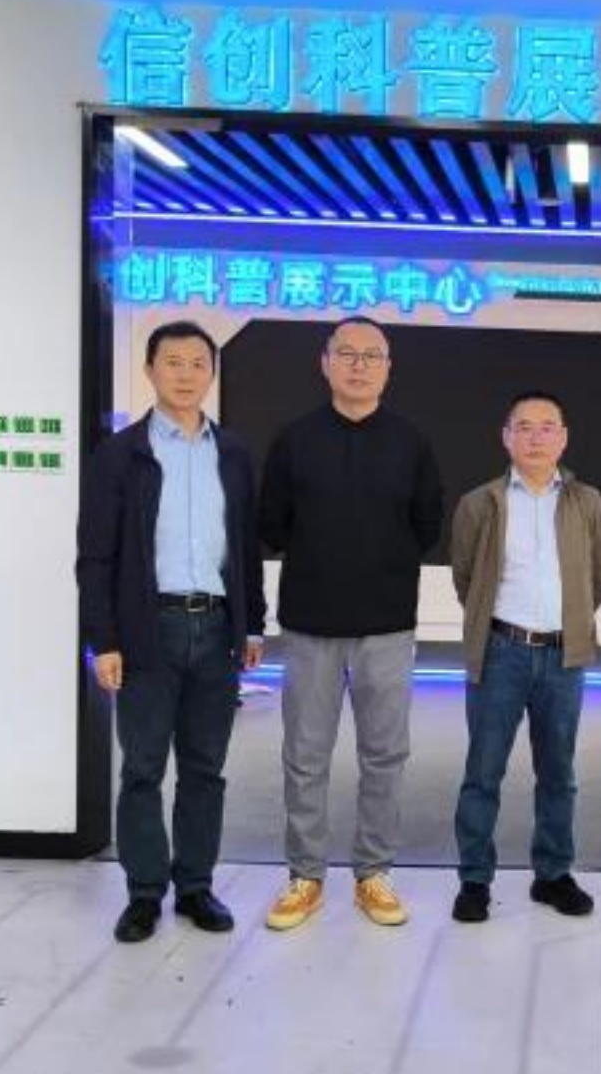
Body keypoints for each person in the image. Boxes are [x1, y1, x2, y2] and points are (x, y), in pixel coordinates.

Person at [76, 320, 266, 944]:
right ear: (150, 370)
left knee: (205, 768)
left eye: (197, 363)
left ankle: (195, 887)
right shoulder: (120, 454)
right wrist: (103, 640)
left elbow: (244, 546)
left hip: (216, 628)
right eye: (173, 362)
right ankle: (143, 893)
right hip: (145, 629)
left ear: (212, 372)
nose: (186, 375)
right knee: (143, 768)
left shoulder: (233, 454)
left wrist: (253, 624)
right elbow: (95, 557)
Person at [258, 315, 444, 930]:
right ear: (326, 362)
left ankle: (374, 873)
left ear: (388, 368)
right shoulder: (294, 439)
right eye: (348, 353)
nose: (359, 365)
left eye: (372, 355)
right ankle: (305, 876)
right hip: (309, 626)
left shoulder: (411, 442)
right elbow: (272, 522)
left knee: (384, 755)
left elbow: (427, 524)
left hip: (386, 627)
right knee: (304, 757)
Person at [447, 391, 601, 923]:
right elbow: (466, 578)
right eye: (524, 427)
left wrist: (574, 620)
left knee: (559, 773)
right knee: (483, 772)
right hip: (500, 652)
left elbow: (599, 573)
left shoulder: (586, 501)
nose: (536, 437)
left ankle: (553, 875)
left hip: (563, 656)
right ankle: (475, 880)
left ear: (563, 438)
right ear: (506, 437)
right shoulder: (480, 503)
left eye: (547, 427)